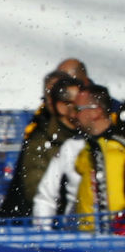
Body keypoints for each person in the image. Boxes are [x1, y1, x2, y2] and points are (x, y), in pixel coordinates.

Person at [35, 83, 125, 230]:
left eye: (78, 109)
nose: (73, 115)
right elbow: (46, 197)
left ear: (97, 112)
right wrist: (43, 235)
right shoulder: (70, 147)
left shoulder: (120, 146)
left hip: (117, 241)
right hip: (78, 240)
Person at [20, 76, 88, 220]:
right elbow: (38, 194)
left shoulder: (85, 140)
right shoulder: (41, 142)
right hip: (52, 229)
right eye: (79, 104)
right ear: (62, 107)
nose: (84, 109)